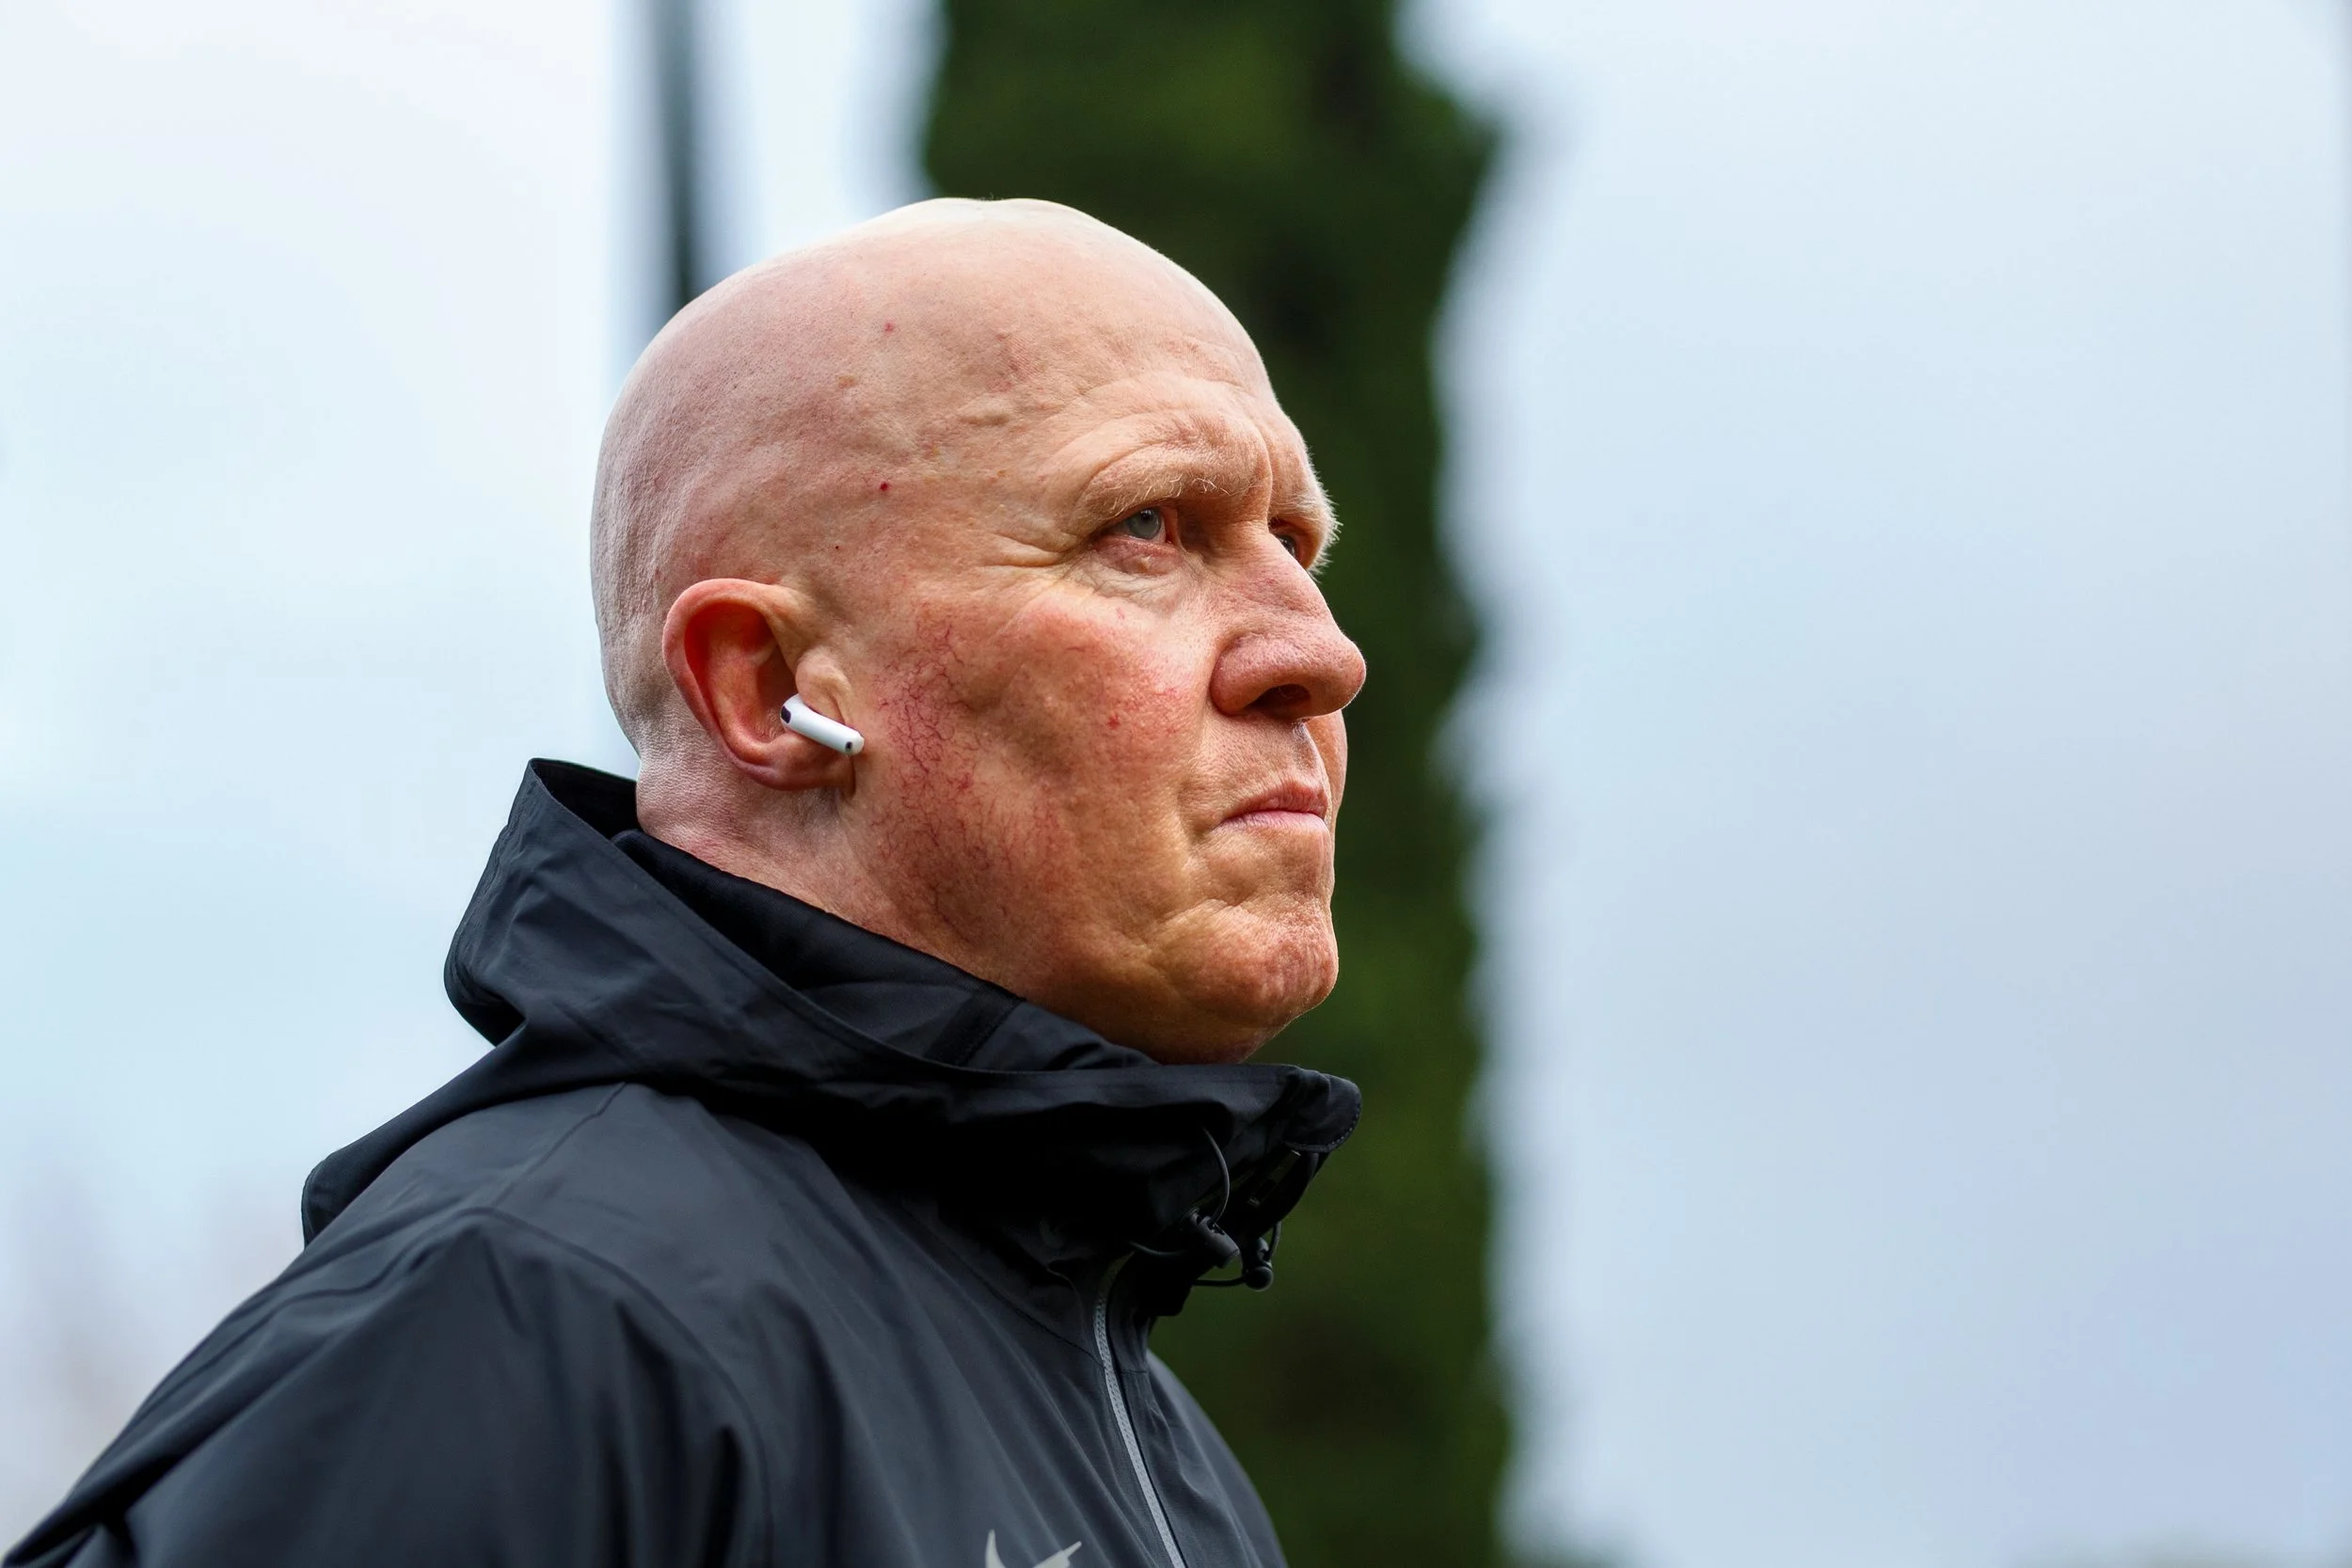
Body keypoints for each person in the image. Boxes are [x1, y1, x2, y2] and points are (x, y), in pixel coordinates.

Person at [7, 198, 1367, 1568]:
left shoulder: (1155, 1440)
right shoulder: (531, 1325)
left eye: (1295, 547)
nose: (1321, 655)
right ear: (768, 691)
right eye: (1147, 526)